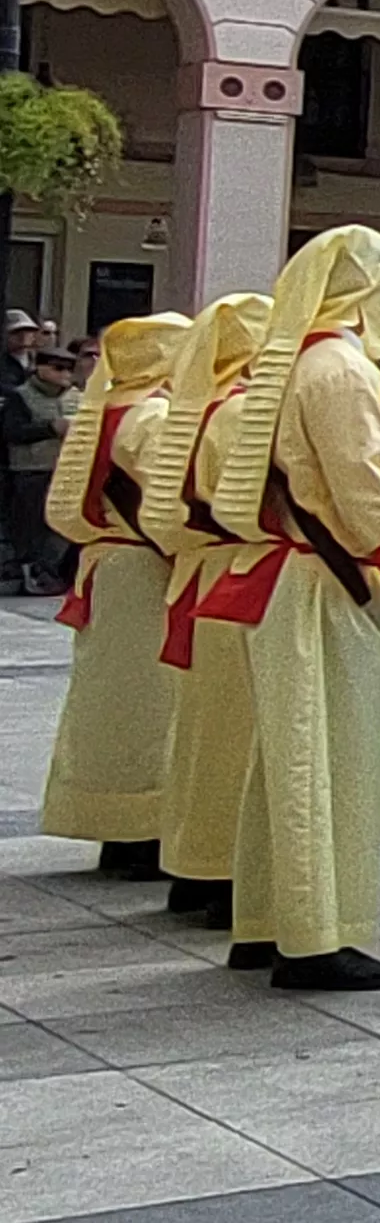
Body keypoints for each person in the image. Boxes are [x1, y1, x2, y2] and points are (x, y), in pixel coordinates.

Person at [202, 227, 380, 989]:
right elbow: (364, 492)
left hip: (293, 572)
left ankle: (266, 920)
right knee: (330, 756)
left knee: (283, 757)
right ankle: (317, 938)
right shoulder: (341, 368)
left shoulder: (287, 362)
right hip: (327, 579)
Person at [137, 296, 275, 930]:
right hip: (240, 570)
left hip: (204, 570)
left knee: (203, 730)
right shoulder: (243, 411)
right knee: (236, 734)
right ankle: (225, 870)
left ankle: (192, 865)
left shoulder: (195, 409)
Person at [38, 312, 190, 882]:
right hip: (146, 568)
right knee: (151, 703)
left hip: (110, 564)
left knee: (109, 702)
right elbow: (171, 497)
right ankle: (142, 831)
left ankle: (113, 829)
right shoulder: (152, 416)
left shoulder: (105, 408)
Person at [5, 343, 84, 592]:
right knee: (32, 528)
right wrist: (50, 428)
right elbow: (12, 432)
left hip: (68, 471)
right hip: (32, 470)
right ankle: (30, 573)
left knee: (62, 527)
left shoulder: (78, 397)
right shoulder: (21, 396)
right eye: (57, 368)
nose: (64, 374)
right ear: (40, 368)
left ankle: (52, 572)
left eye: (69, 369)